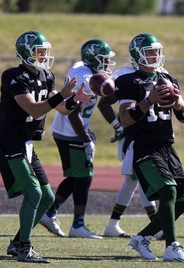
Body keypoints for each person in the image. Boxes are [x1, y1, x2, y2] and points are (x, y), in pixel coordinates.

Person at [0, 30, 92, 263]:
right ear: (26, 53)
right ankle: (25, 248)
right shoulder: (13, 76)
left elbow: (61, 108)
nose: (43, 56)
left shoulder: (46, 76)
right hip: (9, 141)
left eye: (44, 52)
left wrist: (74, 100)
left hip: (26, 142)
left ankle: (17, 243)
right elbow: (34, 109)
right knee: (34, 192)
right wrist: (62, 95)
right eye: (39, 52)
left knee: (47, 197)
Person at [115, 33, 184, 263]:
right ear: (137, 55)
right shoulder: (129, 80)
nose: (155, 56)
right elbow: (126, 119)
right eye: (150, 52)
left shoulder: (167, 77)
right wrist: (149, 100)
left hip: (166, 145)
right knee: (167, 191)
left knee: (182, 202)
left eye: (157, 51)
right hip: (143, 145)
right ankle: (172, 247)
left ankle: (142, 238)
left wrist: (179, 103)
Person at [39, 39, 116, 239]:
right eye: (103, 59)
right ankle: (77, 225)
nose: (107, 63)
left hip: (66, 130)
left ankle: (50, 212)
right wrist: (85, 139)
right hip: (71, 132)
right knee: (84, 177)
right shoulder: (87, 77)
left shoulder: (82, 68)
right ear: (92, 58)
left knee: (75, 176)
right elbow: (74, 113)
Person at [98, 66, 163, 240]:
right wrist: (117, 127)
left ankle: (113, 224)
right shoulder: (126, 76)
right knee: (142, 178)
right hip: (134, 136)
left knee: (133, 180)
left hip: (148, 135)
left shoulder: (157, 75)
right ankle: (155, 225)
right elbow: (104, 102)